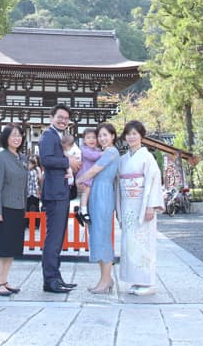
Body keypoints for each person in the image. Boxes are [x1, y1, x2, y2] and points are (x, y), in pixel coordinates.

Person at [118, 120, 164, 296]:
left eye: (134, 134)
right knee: (131, 243)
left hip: (142, 204)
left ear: (141, 136)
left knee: (145, 242)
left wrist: (151, 205)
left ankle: (149, 282)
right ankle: (137, 280)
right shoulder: (123, 159)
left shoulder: (147, 157)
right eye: (128, 134)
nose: (131, 137)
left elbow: (154, 181)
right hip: (128, 204)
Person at [39, 104, 79, 293]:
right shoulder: (48, 136)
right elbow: (45, 160)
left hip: (61, 192)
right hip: (54, 193)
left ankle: (56, 275)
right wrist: (67, 162)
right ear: (51, 117)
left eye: (66, 118)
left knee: (58, 237)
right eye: (59, 117)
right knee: (54, 238)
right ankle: (50, 280)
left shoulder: (59, 136)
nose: (63, 120)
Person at [75, 122, 119, 294]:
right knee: (96, 236)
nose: (102, 139)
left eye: (105, 135)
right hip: (95, 193)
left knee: (103, 236)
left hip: (103, 194)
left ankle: (107, 280)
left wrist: (77, 181)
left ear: (113, 136)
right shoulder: (102, 152)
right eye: (100, 136)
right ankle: (104, 279)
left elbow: (95, 170)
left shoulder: (112, 152)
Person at [0, 124, 28, 297]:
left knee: (11, 247)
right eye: (13, 135)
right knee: (0, 247)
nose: (17, 138)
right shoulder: (0, 158)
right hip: (3, 208)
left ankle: (5, 280)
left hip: (18, 208)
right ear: (6, 138)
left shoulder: (21, 158)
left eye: (19, 135)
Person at [74, 128, 101, 225]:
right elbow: (92, 156)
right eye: (88, 138)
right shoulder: (84, 149)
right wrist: (102, 153)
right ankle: (83, 211)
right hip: (84, 175)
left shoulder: (96, 150)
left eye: (94, 137)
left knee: (87, 193)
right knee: (86, 192)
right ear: (84, 140)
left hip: (89, 175)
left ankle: (80, 210)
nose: (92, 140)